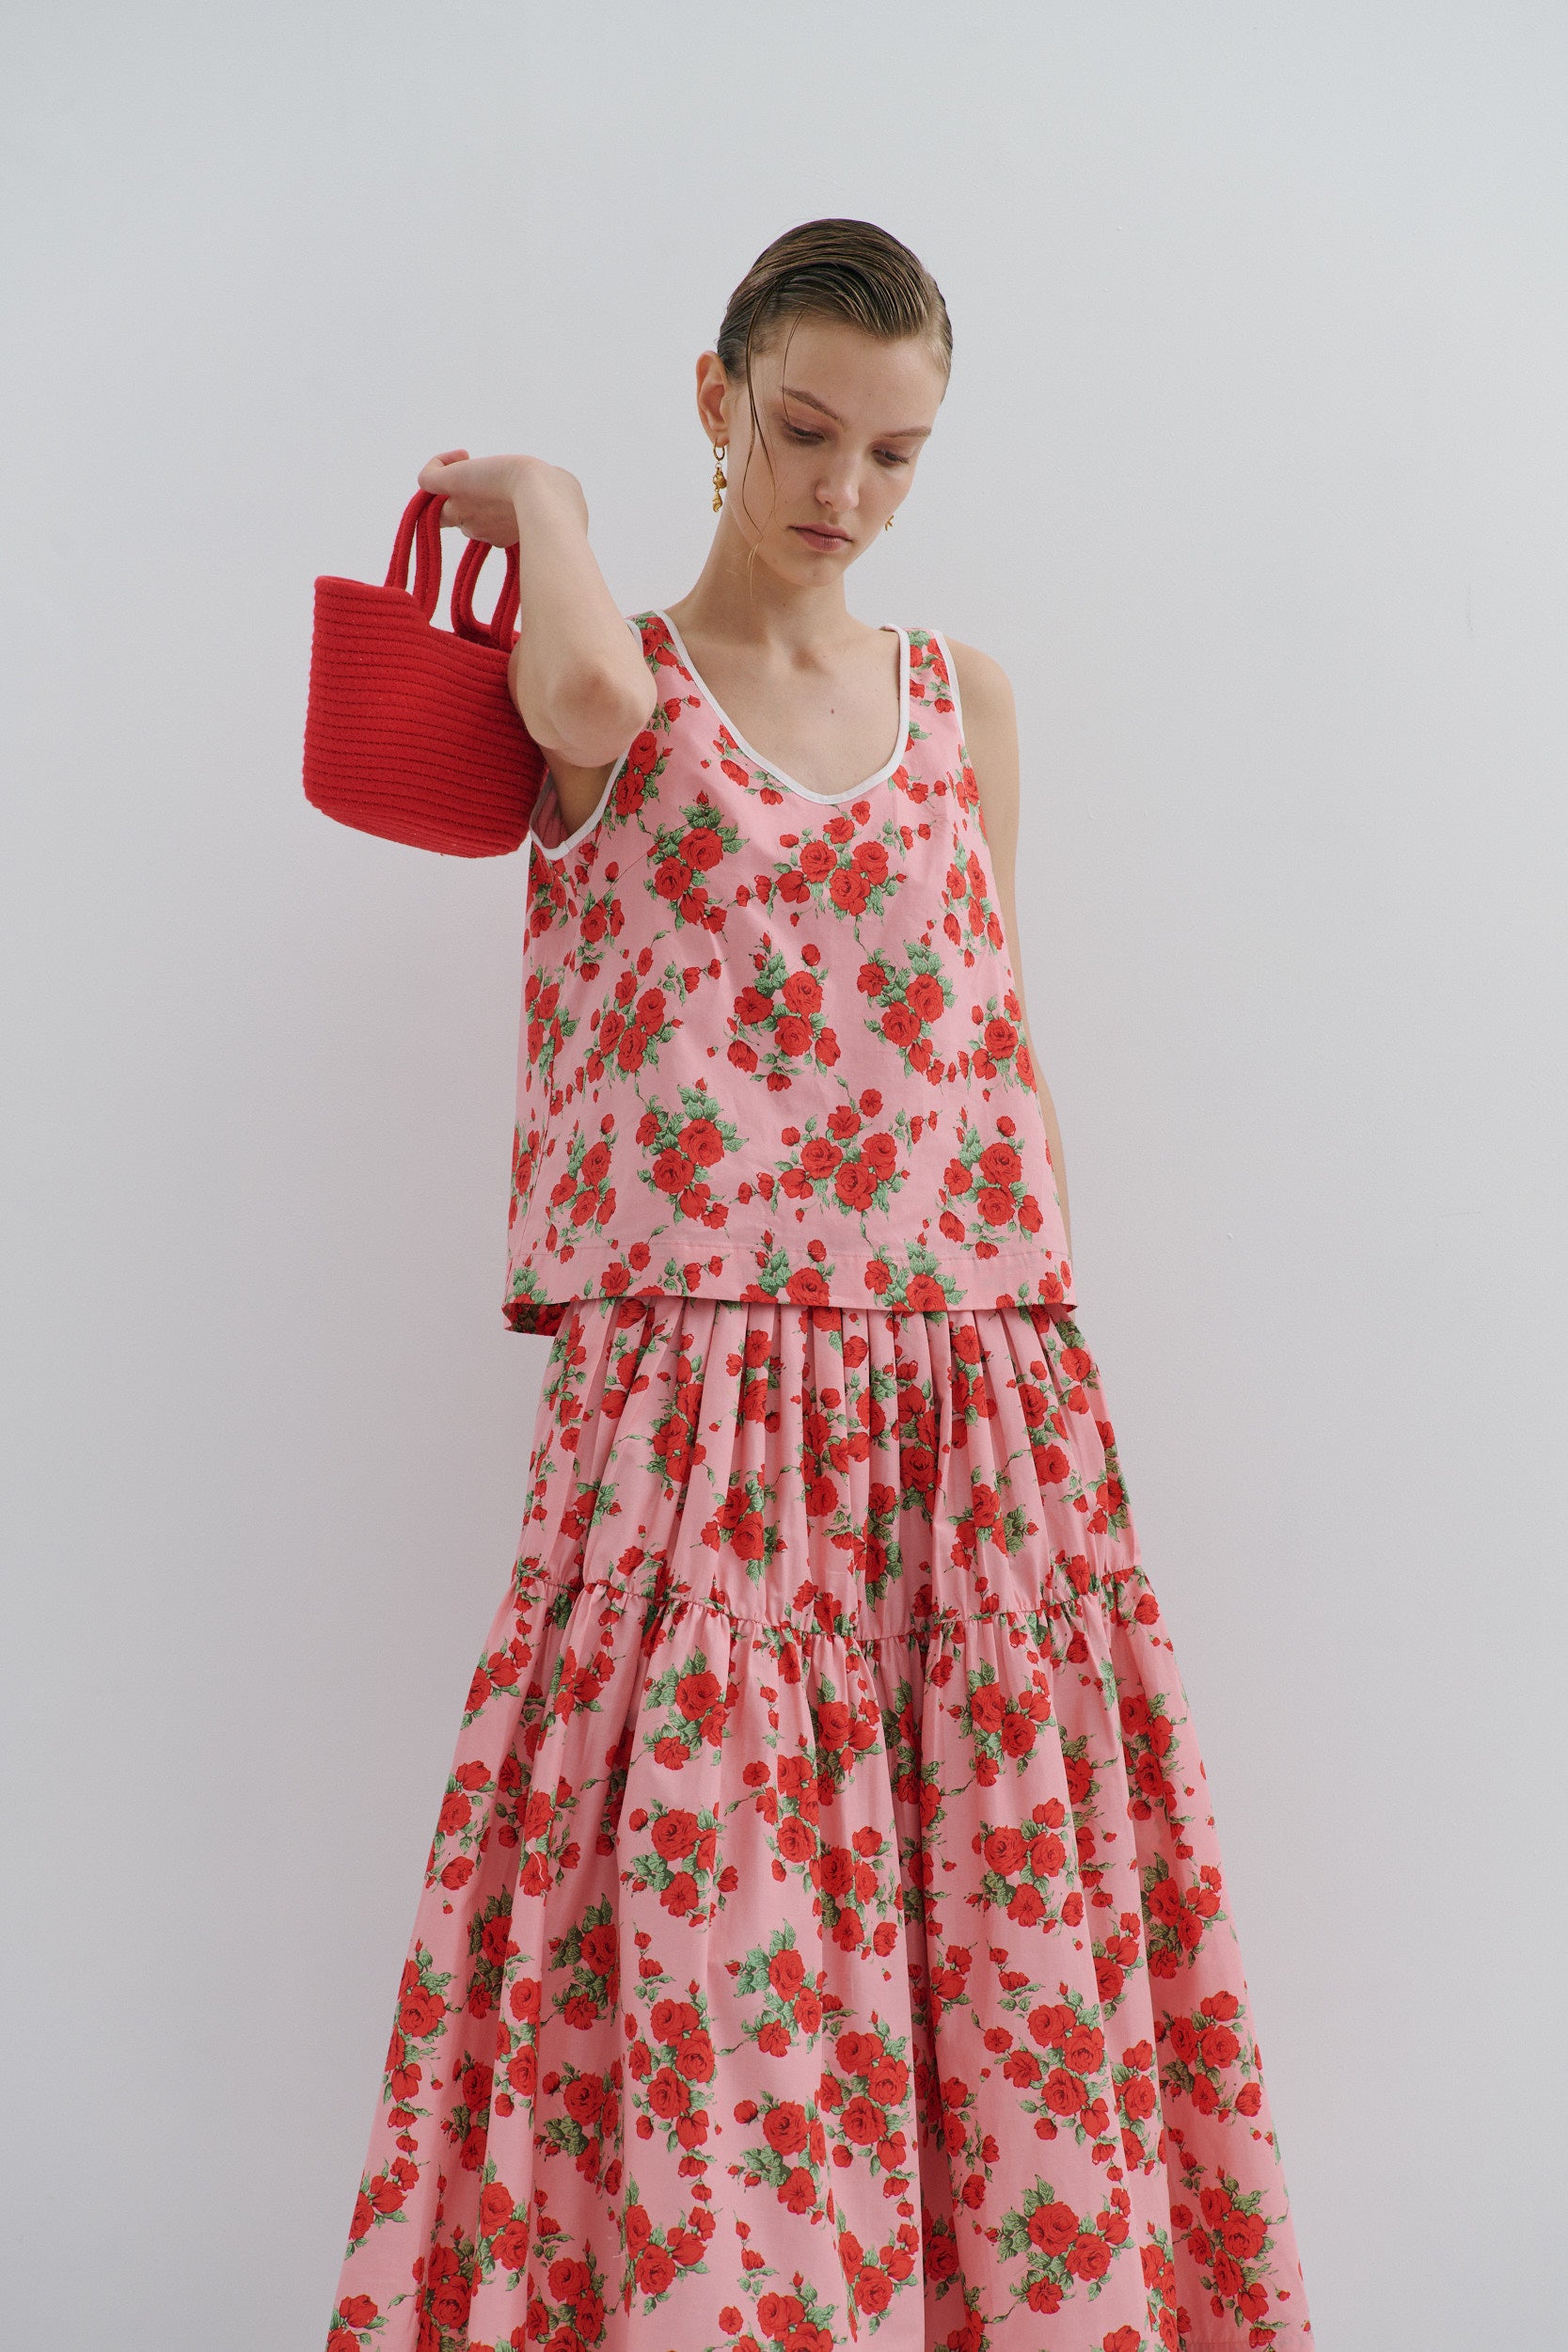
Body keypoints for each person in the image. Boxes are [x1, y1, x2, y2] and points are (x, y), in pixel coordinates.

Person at [324, 219, 1313, 2352]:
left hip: (972, 1406)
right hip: (699, 1434)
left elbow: (1002, 1033)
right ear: (715, 400)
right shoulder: (612, 687)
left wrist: (1046, 1359)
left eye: (893, 452)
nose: (841, 490)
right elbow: (584, 689)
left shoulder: (969, 704)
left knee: (997, 1940)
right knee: (721, 1934)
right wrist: (542, 506)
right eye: (799, 427)